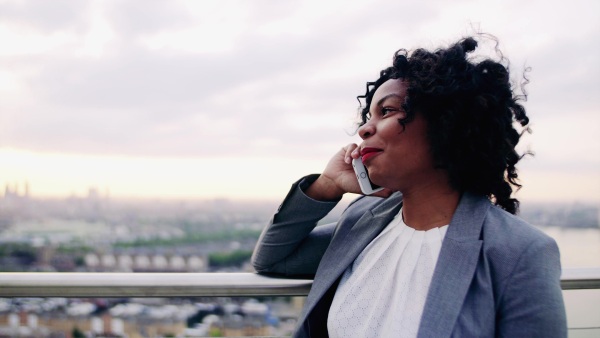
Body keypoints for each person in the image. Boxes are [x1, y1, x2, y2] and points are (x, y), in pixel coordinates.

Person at [251, 35, 567, 337]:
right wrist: (326, 185)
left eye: (386, 110)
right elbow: (272, 258)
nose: (363, 129)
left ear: (446, 121)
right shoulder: (364, 223)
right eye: (368, 115)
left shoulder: (519, 252)